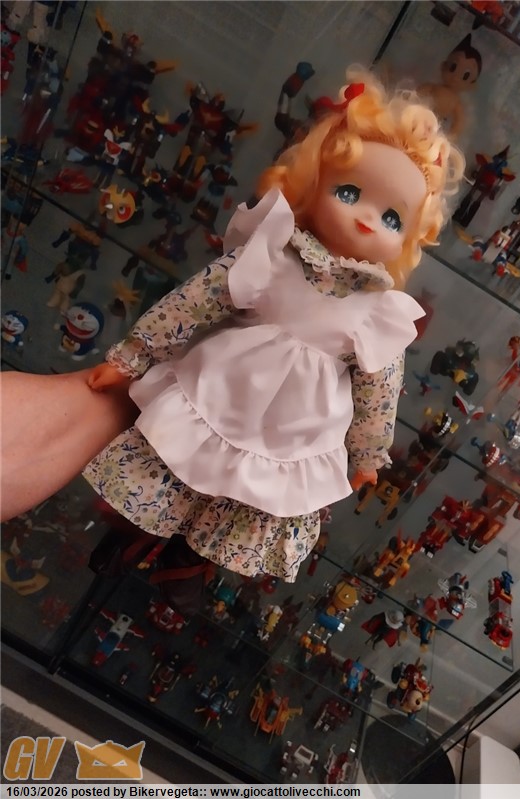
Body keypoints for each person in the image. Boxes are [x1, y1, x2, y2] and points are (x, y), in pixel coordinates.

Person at [2, 68, 464, 582]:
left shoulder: (378, 311)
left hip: (293, 433)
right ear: (315, 183)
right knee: (174, 460)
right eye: (350, 192)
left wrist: (367, 455)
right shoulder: (272, 255)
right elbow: (195, 301)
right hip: (217, 391)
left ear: (408, 238)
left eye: (392, 219)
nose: (367, 219)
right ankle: (132, 535)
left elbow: (379, 391)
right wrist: (133, 356)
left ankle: (188, 566)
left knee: (254, 500)